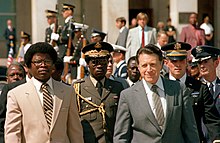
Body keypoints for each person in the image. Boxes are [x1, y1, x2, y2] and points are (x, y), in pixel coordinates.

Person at [113, 44, 200, 143]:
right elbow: (121, 137)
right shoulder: (128, 96)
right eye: (144, 65)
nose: (149, 70)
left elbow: (190, 130)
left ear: (161, 64)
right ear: (138, 67)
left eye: (153, 64)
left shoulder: (178, 89)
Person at [4, 42, 83, 143]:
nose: (43, 65)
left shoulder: (68, 91)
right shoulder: (16, 94)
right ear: (28, 66)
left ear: (53, 65)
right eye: (38, 62)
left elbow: (75, 131)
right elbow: (12, 133)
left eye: (47, 61)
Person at [162, 42, 220, 143]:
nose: (178, 64)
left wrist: (216, 138)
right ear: (166, 62)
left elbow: (211, 119)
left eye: (181, 60)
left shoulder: (200, 87)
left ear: (187, 62)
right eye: (173, 61)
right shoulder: (160, 86)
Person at [74, 41, 124, 143]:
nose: (99, 66)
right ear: (88, 64)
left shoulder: (117, 87)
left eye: (103, 62)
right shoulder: (78, 88)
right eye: (95, 62)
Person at [191, 46, 220, 114]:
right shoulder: (193, 88)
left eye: (205, 62)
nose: (202, 66)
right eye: (199, 62)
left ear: (216, 63)